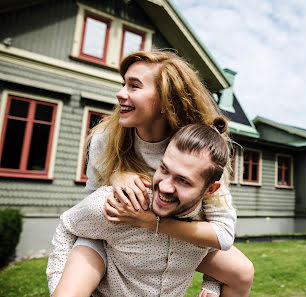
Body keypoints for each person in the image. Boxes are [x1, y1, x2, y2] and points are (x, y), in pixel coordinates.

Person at [46, 50, 253, 296]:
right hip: (113, 231)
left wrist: (212, 281)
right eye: (124, 84)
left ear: (165, 99)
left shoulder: (193, 147)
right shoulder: (106, 138)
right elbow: (91, 203)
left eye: (134, 86)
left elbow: (219, 226)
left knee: (241, 270)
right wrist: (116, 175)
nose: (121, 93)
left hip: (175, 237)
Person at [47, 120, 236, 296]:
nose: (164, 187)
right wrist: (58, 286)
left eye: (183, 180)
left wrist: (211, 285)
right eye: (163, 169)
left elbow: (209, 245)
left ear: (209, 190)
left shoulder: (205, 222)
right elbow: (67, 226)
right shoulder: (124, 204)